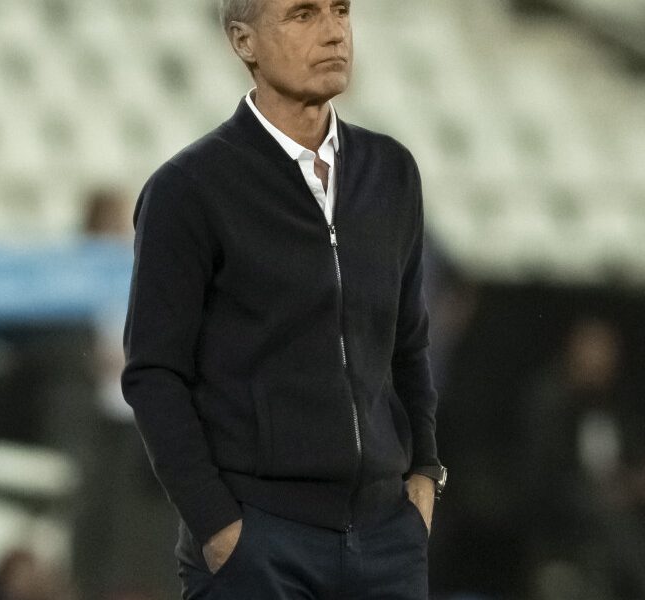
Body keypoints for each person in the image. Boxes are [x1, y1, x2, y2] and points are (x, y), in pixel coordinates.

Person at [121, 1, 445, 598]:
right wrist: (219, 527)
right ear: (244, 42)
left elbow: (409, 341)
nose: (333, 32)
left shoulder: (392, 172)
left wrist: (424, 471)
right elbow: (153, 373)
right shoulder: (187, 190)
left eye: (340, 10)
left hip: (386, 539)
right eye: (303, 14)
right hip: (259, 542)